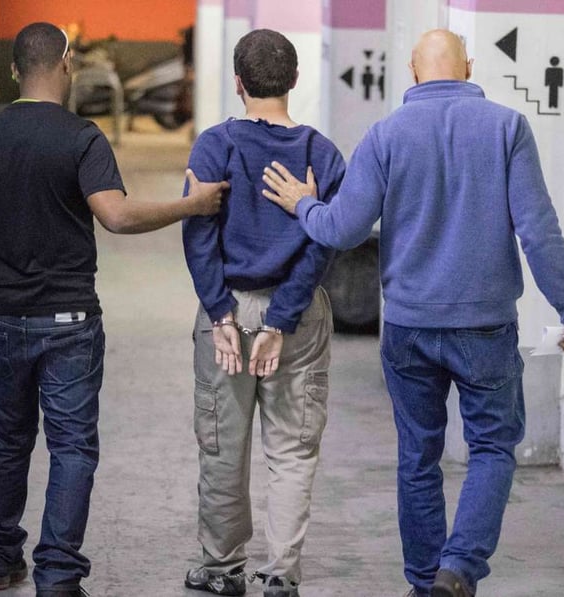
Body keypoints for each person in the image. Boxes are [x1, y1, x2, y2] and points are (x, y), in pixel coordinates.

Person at [262, 29, 564, 597]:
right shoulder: (507, 128)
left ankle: (423, 585)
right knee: (492, 447)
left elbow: (343, 229)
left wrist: (304, 204)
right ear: (469, 67)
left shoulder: (386, 135)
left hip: (409, 326)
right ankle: (457, 570)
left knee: (418, 456)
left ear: (413, 72)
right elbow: (538, 231)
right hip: (485, 327)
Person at [0, 22, 227, 597]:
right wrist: (191, 206)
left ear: (14, 70)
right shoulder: (82, 138)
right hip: (69, 322)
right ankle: (59, 576)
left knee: (7, 441)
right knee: (71, 447)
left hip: (3, 317)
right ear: (67, 65)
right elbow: (116, 216)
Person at [180, 29, 346, 597]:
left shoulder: (214, 146)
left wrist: (222, 314)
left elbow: (199, 237)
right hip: (299, 316)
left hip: (227, 312)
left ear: (238, 82)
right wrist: (281, 319)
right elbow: (324, 245)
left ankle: (223, 569)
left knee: (223, 446)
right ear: (294, 80)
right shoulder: (322, 154)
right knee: (293, 450)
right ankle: (280, 575)